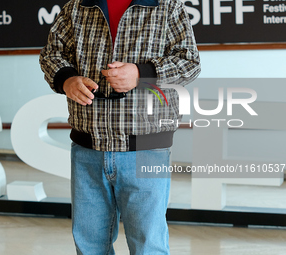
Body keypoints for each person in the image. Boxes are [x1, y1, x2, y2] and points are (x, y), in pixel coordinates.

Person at [40, 0, 201, 254]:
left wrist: (141, 74)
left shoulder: (168, 6)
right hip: (87, 149)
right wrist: (67, 79)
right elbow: (52, 54)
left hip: (146, 149)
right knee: (90, 246)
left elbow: (189, 63)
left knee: (148, 246)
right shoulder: (77, 7)